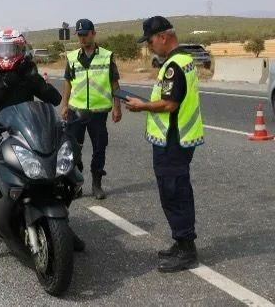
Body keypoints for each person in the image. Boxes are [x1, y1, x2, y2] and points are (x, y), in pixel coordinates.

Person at [0, 29, 84, 270]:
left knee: (61, 173)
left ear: (21, 50)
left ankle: (62, 228)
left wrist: (36, 80)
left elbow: (54, 99)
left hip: (26, 134)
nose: (8, 55)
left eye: (13, 50)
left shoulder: (27, 73)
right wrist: (7, 82)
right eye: (3, 50)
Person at [125, 16, 204, 272]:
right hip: (180, 138)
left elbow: (170, 104)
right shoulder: (185, 60)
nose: (150, 47)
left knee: (174, 193)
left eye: (150, 42)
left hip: (173, 140)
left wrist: (142, 106)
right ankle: (181, 243)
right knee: (176, 190)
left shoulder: (174, 65)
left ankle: (186, 250)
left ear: (163, 37)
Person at [60, 18, 122, 200]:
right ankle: (76, 185)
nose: (82, 38)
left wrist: (117, 108)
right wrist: (64, 105)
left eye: (85, 34)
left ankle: (96, 184)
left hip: (98, 113)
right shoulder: (71, 58)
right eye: (79, 35)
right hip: (76, 111)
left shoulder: (107, 56)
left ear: (93, 33)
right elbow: (68, 83)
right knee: (73, 150)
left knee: (99, 149)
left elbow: (115, 84)